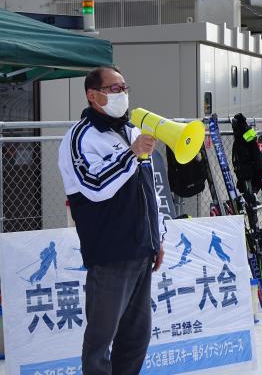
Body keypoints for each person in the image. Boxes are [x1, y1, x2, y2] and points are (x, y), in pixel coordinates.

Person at [58, 66, 166, 375]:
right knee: (100, 340)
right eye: (114, 89)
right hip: (109, 252)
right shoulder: (78, 137)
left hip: (142, 248)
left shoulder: (131, 130)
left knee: (136, 337)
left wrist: (157, 238)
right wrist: (130, 155)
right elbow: (93, 186)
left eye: (124, 87)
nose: (123, 94)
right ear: (93, 95)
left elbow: (150, 190)